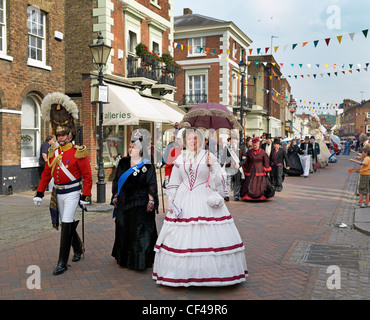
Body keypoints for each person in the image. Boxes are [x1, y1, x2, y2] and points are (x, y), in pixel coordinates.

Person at [152, 129, 248, 287]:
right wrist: (171, 201)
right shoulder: (180, 158)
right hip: (183, 199)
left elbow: (219, 183)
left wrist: (212, 167)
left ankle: (209, 274)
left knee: (207, 235)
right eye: (190, 139)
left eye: (196, 139)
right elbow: (174, 181)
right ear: (185, 141)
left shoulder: (209, 157)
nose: (193, 142)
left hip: (204, 197)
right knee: (180, 237)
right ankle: (181, 273)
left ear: (203, 141)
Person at [33, 92, 93, 275]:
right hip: (57, 193)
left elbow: (88, 176)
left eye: (64, 134)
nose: (60, 138)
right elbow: (46, 175)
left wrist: (86, 196)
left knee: (66, 223)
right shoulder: (53, 153)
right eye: (58, 135)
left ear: (70, 134)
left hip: (73, 192)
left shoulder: (78, 152)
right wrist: (39, 193)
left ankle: (62, 263)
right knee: (65, 222)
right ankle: (78, 247)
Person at [111, 132, 159, 271]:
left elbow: (152, 183)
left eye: (134, 147)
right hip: (125, 201)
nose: (131, 150)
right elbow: (117, 180)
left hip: (141, 201)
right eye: (130, 147)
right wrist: (115, 196)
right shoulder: (123, 162)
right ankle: (125, 259)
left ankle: (140, 260)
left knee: (140, 232)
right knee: (124, 228)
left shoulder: (147, 164)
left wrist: (151, 200)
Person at [221, 134, 247, 201]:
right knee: (228, 182)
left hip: (237, 168)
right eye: (231, 140)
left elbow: (244, 158)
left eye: (234, 140)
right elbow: (223, 157)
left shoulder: (241, 148)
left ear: (237, 140)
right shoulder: (227, 148)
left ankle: (236, 196)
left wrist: (240, 164)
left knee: (237, 182)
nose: (233, 141)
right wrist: (220, 165)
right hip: (229, 168)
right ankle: (227, 195)